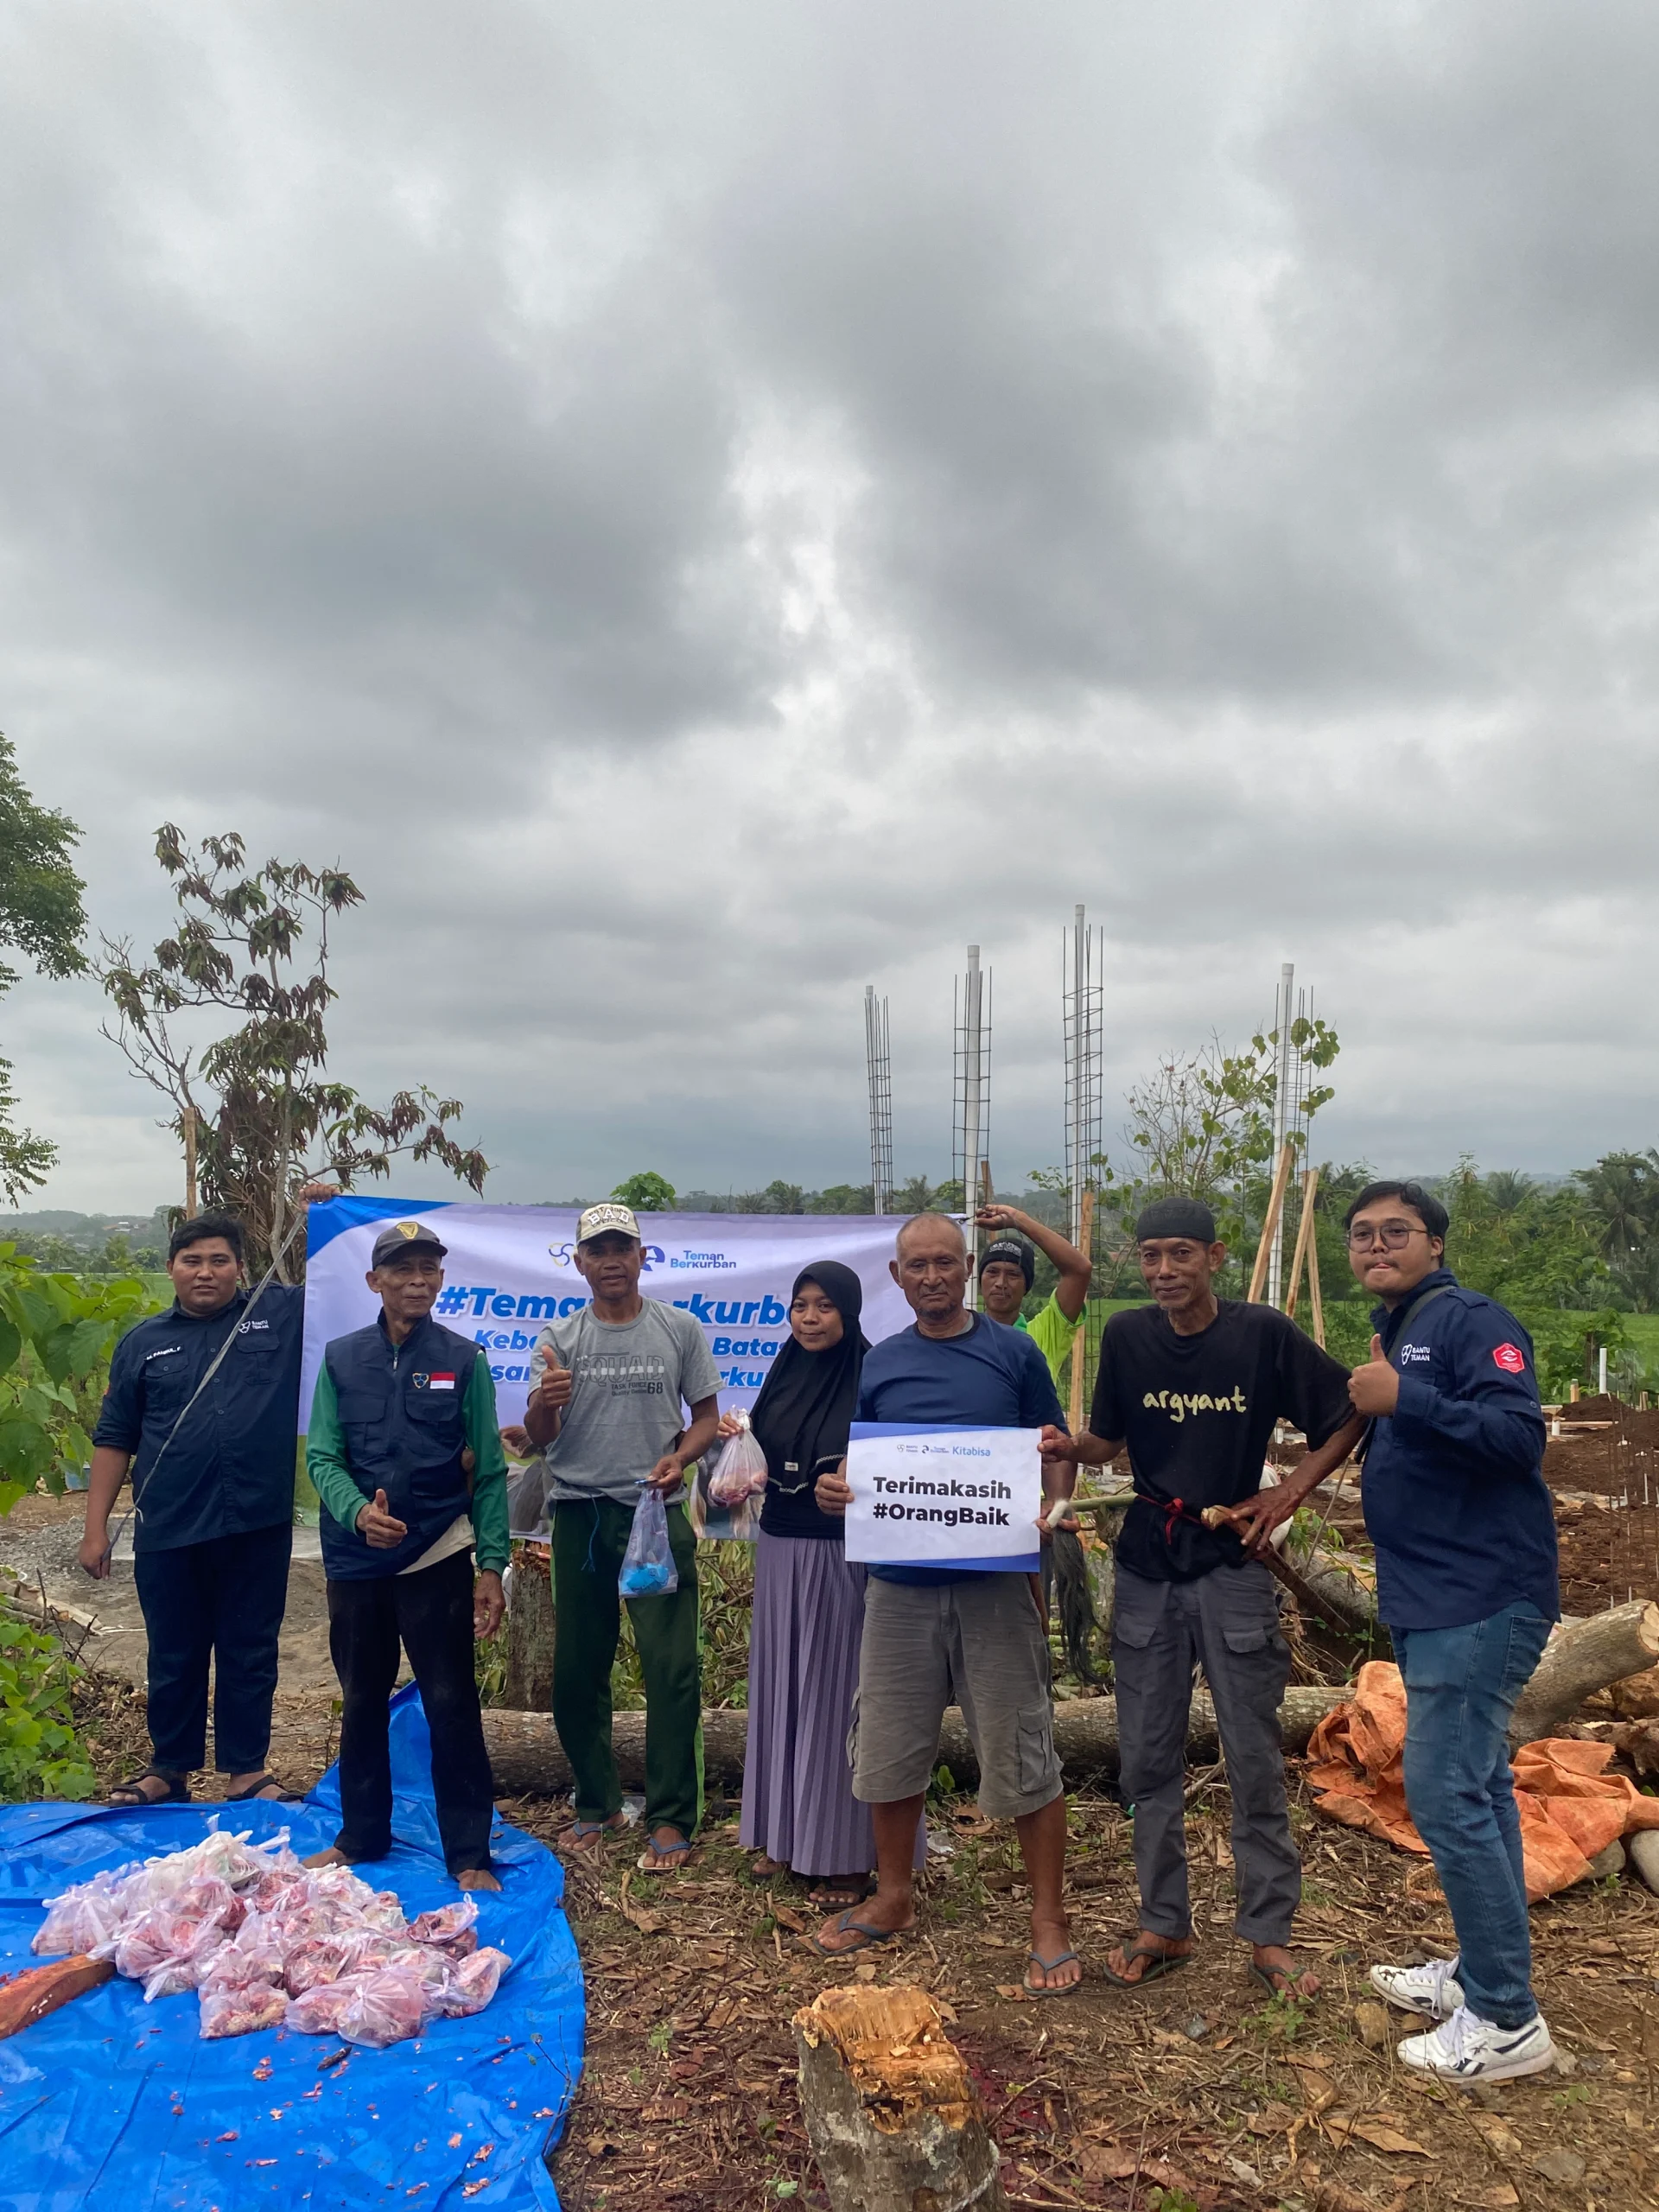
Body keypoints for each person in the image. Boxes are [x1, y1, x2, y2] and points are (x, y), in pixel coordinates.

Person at [1044, 1194, 1363, 2001]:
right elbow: (1110, 1440)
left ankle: (1269, 1935)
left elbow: (1350, 1408)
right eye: (1150, 1257)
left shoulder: (1259, 1336)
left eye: (1180, 1254)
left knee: (1252, 1755)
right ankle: (1165, 1921)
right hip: (1149, 1569)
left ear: (1216, 1258)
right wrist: (1067, 1444)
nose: (1162, 1272)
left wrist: (1288, 1490)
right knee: (1146, 1757)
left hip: (1232, 1571)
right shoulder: (1127, 1336)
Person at [812, 1212, 1082, 1994]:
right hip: (898, 1587)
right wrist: (840, 1491)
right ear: (895, 1279)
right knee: (888, 1742)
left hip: (996, 1585)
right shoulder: (882, 1363)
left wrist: (1056, 1508)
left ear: (965, 1270)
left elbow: (1054, 1443)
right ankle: (893, 1895)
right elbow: (861, 1467)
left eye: (943, 1263)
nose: (930, 1277)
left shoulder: (1014, 1352)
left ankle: (1047, 1922)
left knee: (1022, 1743)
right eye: (915, 1266)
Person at [1342, 1180, 1560, 2081]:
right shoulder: (1402, 1325)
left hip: (1481, 1597)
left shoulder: (1471, 1320)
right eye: (1361, 1234)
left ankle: (1508, 2023)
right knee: (1479, 1788)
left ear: (1435, 1242)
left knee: (1445, 1797)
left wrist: (1405, 1397)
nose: (1377, 1245)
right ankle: (1482, 1973)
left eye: (1398, 1231)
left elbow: (1520, 1438)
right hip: (1437, 1597)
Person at [81, 1198, 331, 1806]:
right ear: (171, 1268)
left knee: (250, 1648)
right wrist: (94, 1530)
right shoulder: (144, 1342)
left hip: (255, 1521)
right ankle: (169, 1769)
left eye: (219, 1260)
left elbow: (339, 1279)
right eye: (191, 1260)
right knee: (174, 1650)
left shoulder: (278, 1317)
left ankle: (247, 1771)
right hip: (168, 1524)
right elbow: (116, 1438)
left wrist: (324, 1213)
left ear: (240, 1268)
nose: (206, 1271)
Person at [304, 1220, 508, 1891]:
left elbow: (488, 1471)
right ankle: (360, 1836)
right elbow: (323, 1455)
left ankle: (469, 1854)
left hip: (437, 1556)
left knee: (451, 1702)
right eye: (403, 1271)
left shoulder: (463, 1359)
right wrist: (358, 1511)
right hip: (357, 1560)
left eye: (430, 1271)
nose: (418, 1281)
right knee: (362, 1698)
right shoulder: (340, 1358)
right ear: (375, 1282)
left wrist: (490, 1567)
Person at [523, 1202, 721, 1875]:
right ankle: (597, 1802)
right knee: (579, 1671)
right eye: (596, 1251)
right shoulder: (560, 1336)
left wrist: (683, 1459)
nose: (610, 1261)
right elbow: (540, 1440)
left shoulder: (678, 1329)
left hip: (653, 1515)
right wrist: (544, 1403)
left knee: (671, 1669)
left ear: (643, 1257)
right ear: (579, 1263)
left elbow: (705, 1417)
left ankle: (670, 1815)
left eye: (622, 1248)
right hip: (579, 1517)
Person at [718, 1262, 923, 1908]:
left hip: (845, 1558)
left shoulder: (872, 1378)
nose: (809, 1319)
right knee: (786, 1693)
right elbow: (765, 1463)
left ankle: (846, 1854)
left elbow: (897, 1469)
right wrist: (740, 1448)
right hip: (780, 1552)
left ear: (851, 1313)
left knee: (839, 1698)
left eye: (824, 1307)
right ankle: (786, 1837)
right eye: (800, 1306)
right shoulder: (781, 1376)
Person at [973, 1202, 1092, 1386]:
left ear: (1026, 1285)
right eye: (992, 1272)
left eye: (1013, 1274)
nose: (1000, 1283)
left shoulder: (1045, 1334)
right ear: (980, 1279)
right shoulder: (963, 1336)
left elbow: (1080, 1270)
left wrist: (1018, 1219)